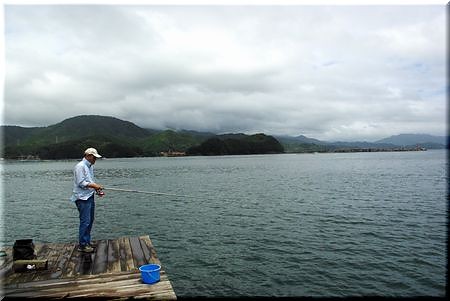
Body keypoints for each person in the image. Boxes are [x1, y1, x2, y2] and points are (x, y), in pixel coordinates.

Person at [70, 147, 104, 253]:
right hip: (82, 198)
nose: (95, 160)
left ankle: (87, 241)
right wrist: (95, 186)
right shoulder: (80, 166)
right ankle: (83, 245)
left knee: (90, 220)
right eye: (94, 158)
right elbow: (81, 183)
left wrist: (97, 190)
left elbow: (90, 181)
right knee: (85, 221)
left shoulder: (89, 166)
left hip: (89, 196)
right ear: (88, 156)